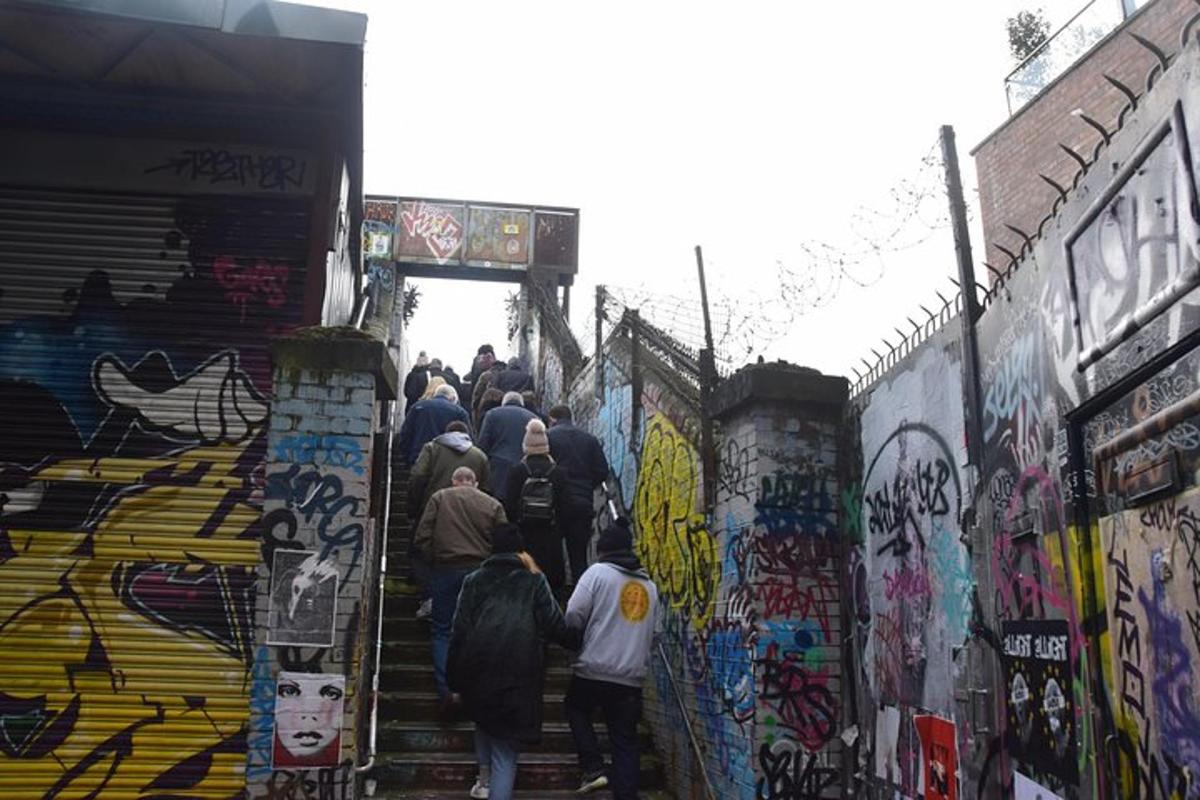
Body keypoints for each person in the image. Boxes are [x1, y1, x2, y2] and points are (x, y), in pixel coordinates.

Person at [448, 524, 580, 800]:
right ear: (521, 550)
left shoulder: (474, 580)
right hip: (520, 671)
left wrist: (453, 678)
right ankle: (490, 785)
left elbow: (459, 631)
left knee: (483, 721)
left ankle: (484, 780)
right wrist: (579, 641)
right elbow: (555, 624)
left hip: (479, 667)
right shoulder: (534, 580)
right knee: (505, 751)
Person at [564, 517, 659, 798]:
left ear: (602, 550)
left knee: (575, 708)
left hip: (593, 670)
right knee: (625, 741)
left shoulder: (597, 574)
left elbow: (573, 614)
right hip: (630, 678)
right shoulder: (649, 587)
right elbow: (657, 634)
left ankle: (593, 766)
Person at [412, 467, 507, 709]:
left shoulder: (439, 498)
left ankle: (448, 692)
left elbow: (422, 535)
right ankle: (478, 689)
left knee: (443, 631)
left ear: (453, 481)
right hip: (481, 571)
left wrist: (435, 559)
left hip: (446, 569)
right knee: (480, 630)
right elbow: (505, 540)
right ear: (475, 483)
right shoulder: (492, 504)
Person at [547, 404, 610, 589]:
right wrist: (587, 485)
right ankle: (580, 594)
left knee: (553, 553)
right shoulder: (589, 439)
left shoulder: (549, 437)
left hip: (555, 504)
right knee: (579, 555)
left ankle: (558, 598)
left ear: (552, 419)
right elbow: (602, 470)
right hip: (582, 502)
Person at [504, 419, 569, 594]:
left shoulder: (517, 471)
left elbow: (508, 505)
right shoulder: (557, 472)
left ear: (525, 445)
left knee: (526, 580)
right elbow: (565, 506)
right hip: (551, 535)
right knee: (551, 584)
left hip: (525, 534)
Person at [396, 383, 471, 467]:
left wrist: (407, 457)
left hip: (418, 456)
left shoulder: (417, 407)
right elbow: (467, 439)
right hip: (448, 460)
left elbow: (406, 433)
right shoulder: (459, 411)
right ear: (452, 398)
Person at [477, 392, 536, 496]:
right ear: (521, 403)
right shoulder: (533, 417)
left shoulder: (492, 414)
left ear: (503, 402)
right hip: (524, 466)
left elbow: (483, 442)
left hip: (498, 465)